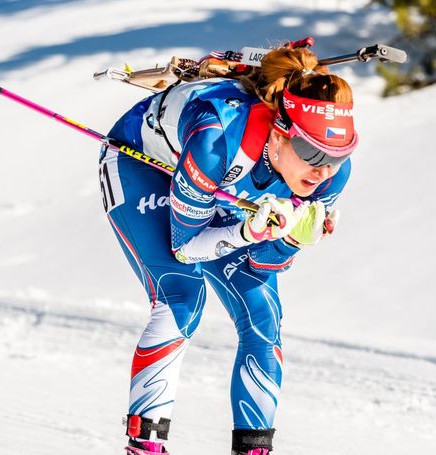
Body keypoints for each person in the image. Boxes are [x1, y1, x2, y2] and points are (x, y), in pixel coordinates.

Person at [98, 45, 358, 455]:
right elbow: (186, 249)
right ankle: (144, 446)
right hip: (143, 164)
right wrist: (246, 233)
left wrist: (289, 239)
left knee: (262, 318)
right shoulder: (216, 139)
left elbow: (261, 265)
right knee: (182, 295)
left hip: (222, 191)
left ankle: (253, 449)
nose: (323, 169)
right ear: (279, 131)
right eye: (311, 152)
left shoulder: (328, 178)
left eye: (338, 155)